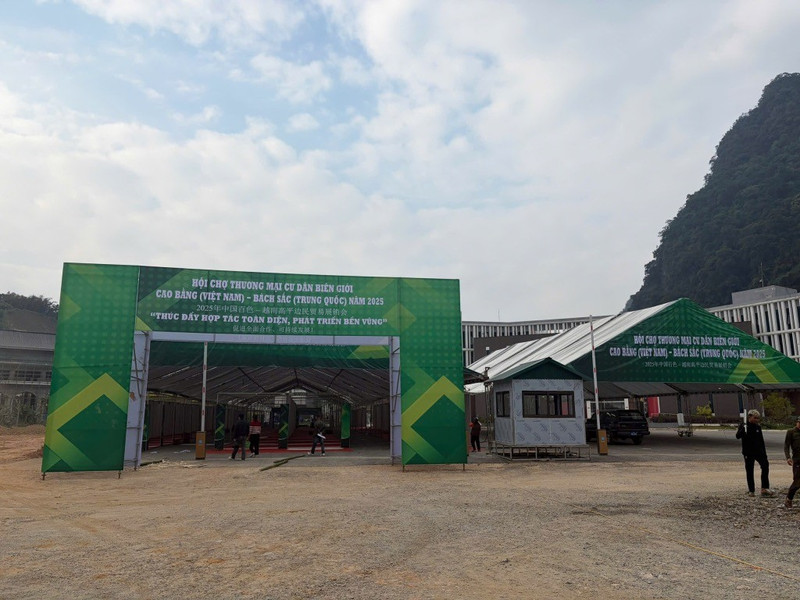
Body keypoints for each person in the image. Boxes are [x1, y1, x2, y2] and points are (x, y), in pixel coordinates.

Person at [736, 409, 774, 497]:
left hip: (759, 452)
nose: (757, 420)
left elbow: (761, 441)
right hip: (748, 452)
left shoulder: (758, 427)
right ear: (749, 417)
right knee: (750, 470)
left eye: (758, 418)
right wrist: (743, 429)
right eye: (755, 418)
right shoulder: (744, 426)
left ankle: (764, 488)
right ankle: (751, 490)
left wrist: (764, 452)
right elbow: (738, 436)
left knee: (765, 466)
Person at [783, 416, 800, 508]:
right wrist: (788, 457)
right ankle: (789, 499)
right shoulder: (791, 432)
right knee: (797, 481)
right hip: (797, 460)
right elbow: (786, 445)